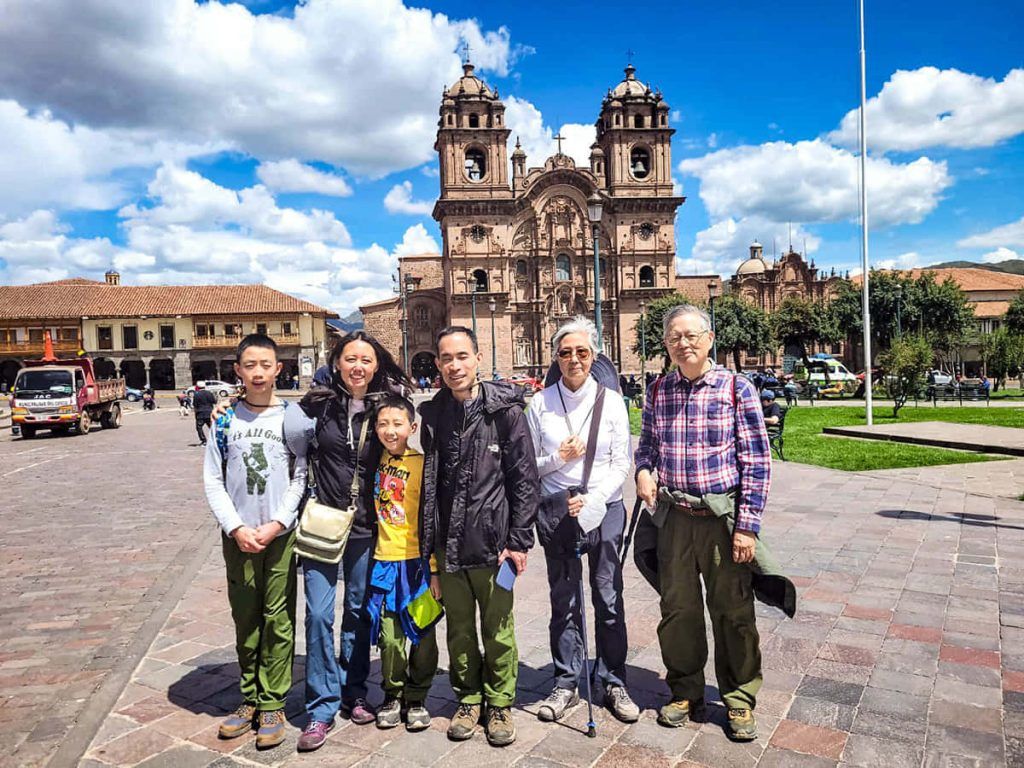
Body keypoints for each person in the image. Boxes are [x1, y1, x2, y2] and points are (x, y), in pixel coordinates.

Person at [634, 304, 771, 742]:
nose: (683, 343)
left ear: (709, 339)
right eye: (675, 337)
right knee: (678, 611)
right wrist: (642, 472)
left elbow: (757, 460)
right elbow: (647, 448)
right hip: (674, 518)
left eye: (692, 335)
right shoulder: (659, 391)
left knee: (733, 612)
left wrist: (747, 525)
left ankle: (739, 699)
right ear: (666, 344)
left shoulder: (737, 388)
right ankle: (685, 690)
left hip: (720, 518)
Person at [286, 331, 412, 753]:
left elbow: (407, 451)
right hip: (324, 521)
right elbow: (293, 451)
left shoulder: (388, 407)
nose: (358, 366)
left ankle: (354, 691)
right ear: (337, 361)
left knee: (358, 610)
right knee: (319, 614)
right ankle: (320, 708)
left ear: (377, 365)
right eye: (350, 358)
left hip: (367, 525)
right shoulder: (317, 405)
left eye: (366, 360)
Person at [418, 326, 538, 747]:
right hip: (447, 545)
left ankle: (500, 702)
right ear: (438, 364)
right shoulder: (433, 415)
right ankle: (468, 699)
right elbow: (431, 484)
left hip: (494, 544)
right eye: (446, 358)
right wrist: (429, 550)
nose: (455, 366)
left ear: (477, 358)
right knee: (461, 631)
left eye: (462, 356)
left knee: (498, 628)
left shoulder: (506, 412)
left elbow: (524, 480)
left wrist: (520, 540)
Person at [525, 318, 639, 724]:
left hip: (604, 508)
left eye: (583, 352)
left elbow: (621, 461)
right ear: (555, 358)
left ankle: (612, 679)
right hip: (558, 510)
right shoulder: (540, 404)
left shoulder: (610, 401)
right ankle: (567, 680)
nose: (574, 359)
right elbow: (530, 467)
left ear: (594, 356)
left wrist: (592, 499)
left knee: (607, 597)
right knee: (565, 600)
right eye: (565, 353)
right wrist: (560, 458)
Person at [204, 334, 307, 750]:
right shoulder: (225, 420)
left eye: (266, 364)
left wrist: (279, 522)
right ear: (238, 370)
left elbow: (301, 475)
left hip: (279, 536)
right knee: (246, 617)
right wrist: (235, 527)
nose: (259, 372)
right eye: (251, 365)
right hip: (239, 535)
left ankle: (273, 702)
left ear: (278, 369)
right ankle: (250, 697)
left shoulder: (293, 418)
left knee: (278, 620)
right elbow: (212, 477)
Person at [366, 394, 441, 731]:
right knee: (390, 638)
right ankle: (392, 693)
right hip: (384, 561)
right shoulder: (371, 460)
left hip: (417, 564)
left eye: (397, 424)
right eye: (383, 424)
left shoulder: (423, 464)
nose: (390, 430)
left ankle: (417, 695)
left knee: (423, 635)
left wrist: (435, 569)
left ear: (412, 427)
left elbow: (434, 518)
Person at [193, 382, 218, 446]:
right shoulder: (209, 393)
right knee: (212, 427)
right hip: (209, 412)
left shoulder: (196, 394)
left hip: (200, 413)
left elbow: (195, 405)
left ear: (198, 387)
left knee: (199, 427)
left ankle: (204, 440)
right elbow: (214, 401)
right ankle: (216, 439)